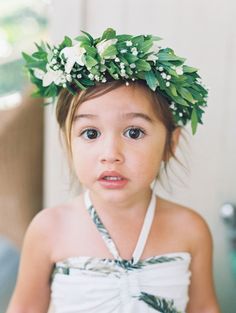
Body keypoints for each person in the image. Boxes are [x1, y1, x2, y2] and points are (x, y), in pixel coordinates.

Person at [7, 28, 221, 313]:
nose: (110, 155)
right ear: (67, 141)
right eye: (91, 133)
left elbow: (205, 306)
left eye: (134, 132)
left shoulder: (190, 229)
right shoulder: (48, 229)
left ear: (170, 143)